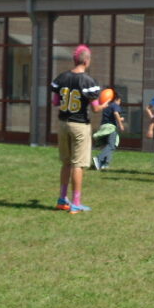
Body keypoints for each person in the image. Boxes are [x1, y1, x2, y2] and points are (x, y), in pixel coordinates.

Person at [52, 45, 109, 214]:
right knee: (78, 164)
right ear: (86, 61)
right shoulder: (88, 81)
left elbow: (55, 102)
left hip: (63, 123)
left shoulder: (61, 77)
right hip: (79, 125)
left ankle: (62, 199)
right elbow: (95, 109)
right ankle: (76, 202)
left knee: (66, 162)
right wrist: (105, 104)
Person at [93, 92, 124, 171]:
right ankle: (99, 158)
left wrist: (119, 119)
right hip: (110, 128)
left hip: (103, 127)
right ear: (118, 99)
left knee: (107, 145)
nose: (120, 103)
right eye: (120, 101)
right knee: (112, 145)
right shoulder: (115, 105)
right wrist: (120, 124)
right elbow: (116, 113)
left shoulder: (107, 106)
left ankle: (104, 164)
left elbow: (110, 117)